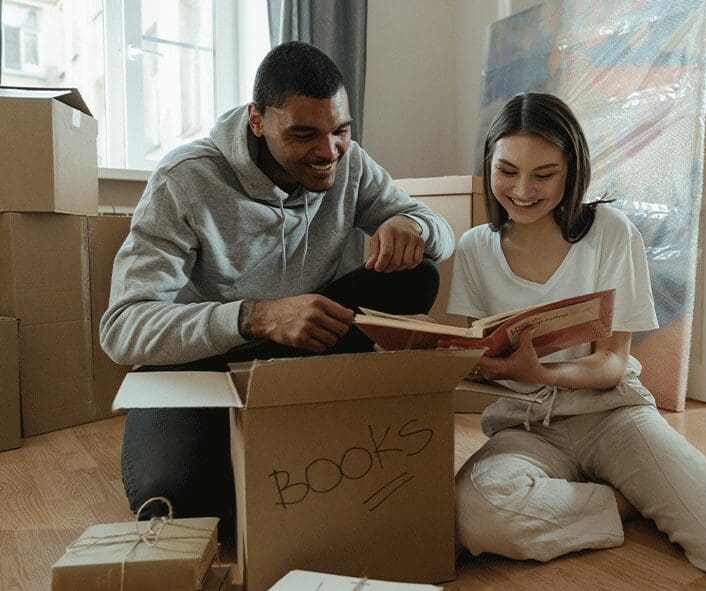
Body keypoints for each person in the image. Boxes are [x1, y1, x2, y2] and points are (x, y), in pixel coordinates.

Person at [448, 92, 706, 583]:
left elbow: (612, 363)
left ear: (572, 168)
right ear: (488, 163)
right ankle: (625, 501)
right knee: (474, 513)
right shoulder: (475, 248)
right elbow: (469, 350)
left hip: (611, 414)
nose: (521, 190)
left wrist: (542, 371)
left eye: (544, 174)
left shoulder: (609, 232)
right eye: (507, 170)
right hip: (526, 427)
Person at [100, 41, 454, 540]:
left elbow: (439, 226)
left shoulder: (346, 161)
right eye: (305, 134)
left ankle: (297, 407)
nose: (328, 152)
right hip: (199, 362)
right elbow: (122, 328)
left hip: (299, 348)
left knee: (419, 272)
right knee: (183, 509)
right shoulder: (185, 180)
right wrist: (255, 316)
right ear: (258, 120)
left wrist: (412, 227)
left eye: (341, 131)